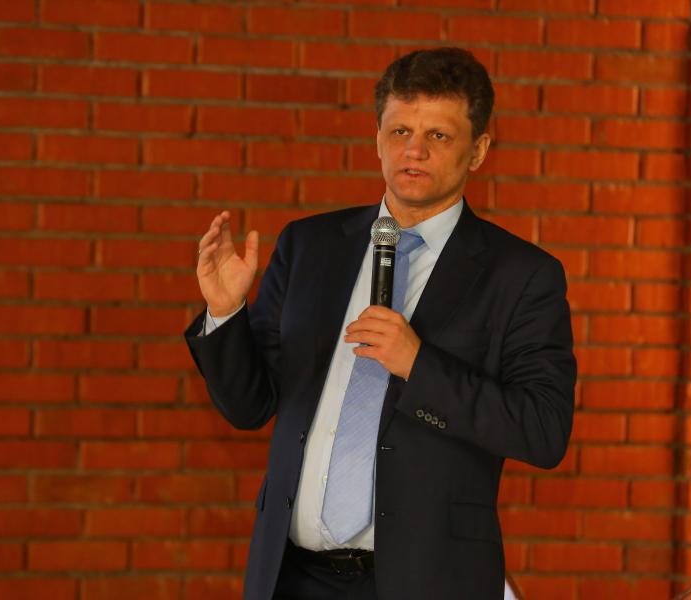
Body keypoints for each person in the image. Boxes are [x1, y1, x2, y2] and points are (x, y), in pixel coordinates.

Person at [185, 47, 576, 600]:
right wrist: (226, 313)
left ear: (479, 150)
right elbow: (249, 407)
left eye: (438, 135)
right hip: (293, 578)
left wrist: (419, 365)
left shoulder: (521, 276)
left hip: (429, 582)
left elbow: (543, 430)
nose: (414, 150)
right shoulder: (310, 246)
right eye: (399, 132)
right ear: (377, 139)